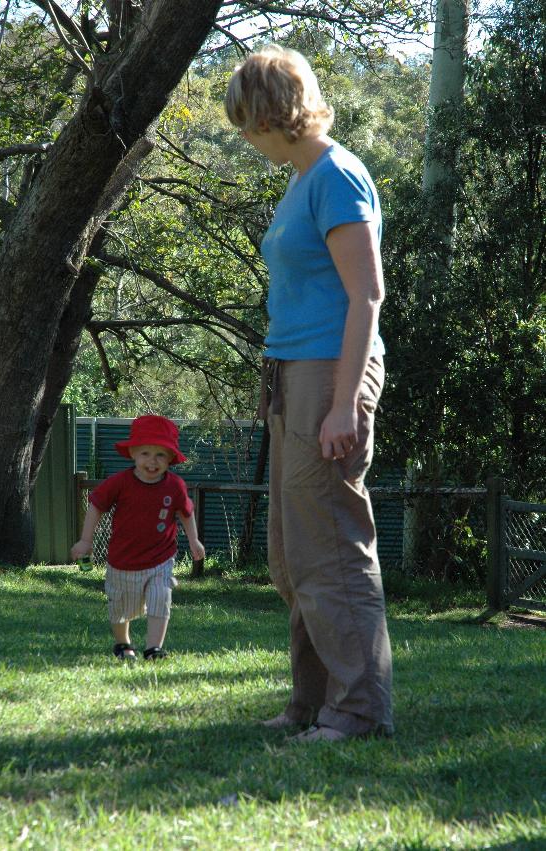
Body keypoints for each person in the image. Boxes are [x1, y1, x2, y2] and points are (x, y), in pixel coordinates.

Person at [225, 46, 393, 741]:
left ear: (270, 113)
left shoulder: (336, 176)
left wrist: (342, 401)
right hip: (292, 372)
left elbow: (367, 294)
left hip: (330, 372)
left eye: (245, 121)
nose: (243, 136)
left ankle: (357, 710)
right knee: (292, 557)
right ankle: (312, 700)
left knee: (328, 546)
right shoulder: (301, 181)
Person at [71, 415, 205, 662]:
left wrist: (194, 540)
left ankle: (154, 648)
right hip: (123, 561)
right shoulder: (120, 483)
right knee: (122, 609)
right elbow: (96, 505)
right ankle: (123, 644)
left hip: (160, 559)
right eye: (145, 453)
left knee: (160, 598)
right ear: (133, 453)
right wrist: (85, 541)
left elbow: (186, 512)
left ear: (171, 459)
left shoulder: (174, 486)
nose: (152, 461)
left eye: (160, 455)